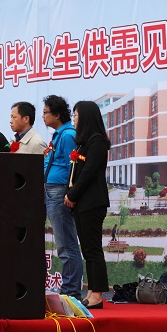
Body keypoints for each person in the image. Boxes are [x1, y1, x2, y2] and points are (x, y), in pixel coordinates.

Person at [64, 100, 111, 310]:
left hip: (92, 202)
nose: (74, 120)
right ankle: (92, 291)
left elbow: (89, 172)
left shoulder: (97, 141)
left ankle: (97, 295)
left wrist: (72, 194)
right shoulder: (83, 142)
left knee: (93, 249)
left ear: (86, 117)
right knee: (87, 250)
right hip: (82, 203)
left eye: (76, 116)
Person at [43, 94, 84, 301]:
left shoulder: (68, 135)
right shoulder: (59, 135)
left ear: (57, 115)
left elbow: (73, 168)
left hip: (59, 192)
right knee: (64, 243)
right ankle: (69, 289)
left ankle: (71, 291)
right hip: (52, 190)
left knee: (66, 244)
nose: (43, 116)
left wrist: (70, 193)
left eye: (46, 112)